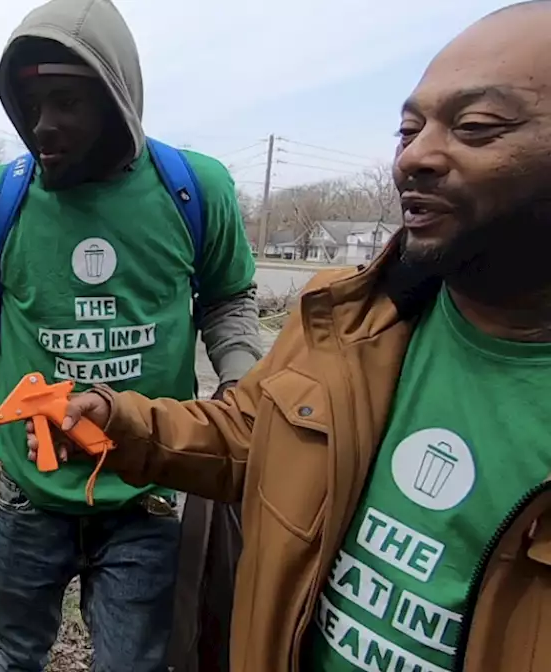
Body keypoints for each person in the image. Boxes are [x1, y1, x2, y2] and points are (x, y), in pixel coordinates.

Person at [31, 2, 551, 670]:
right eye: (408, 129)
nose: (415, 157)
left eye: (476, 126)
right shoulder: (349, 323)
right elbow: (254, 440)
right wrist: (117, 420)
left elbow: (226, 303)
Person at [0, 0, 263, 669]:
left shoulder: (195, 190)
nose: (42, 125)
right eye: (32, 103)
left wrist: (243, 382)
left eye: (67, 102)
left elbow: (228, 303)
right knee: (14, 657)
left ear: (117, 102)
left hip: (144, 497)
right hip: (28, 498)